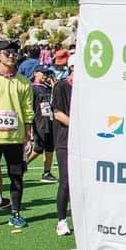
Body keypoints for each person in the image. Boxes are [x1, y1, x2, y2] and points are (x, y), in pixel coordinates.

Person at [0, 40, 35, 229]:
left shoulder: (24, 82)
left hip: (16, 139)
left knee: (16, 177)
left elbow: (28, 111)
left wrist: (28, 136)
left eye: (14, 52)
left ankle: (15, 213)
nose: (12, 55)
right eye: (8, 52)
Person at [51, 59, 73, 235]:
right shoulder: (61, 87)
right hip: (64, 141)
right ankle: (61, 220)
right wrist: (78, 127)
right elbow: (57, 113)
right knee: (65, 180)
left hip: (84, 143)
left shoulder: (88, 90)